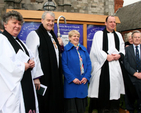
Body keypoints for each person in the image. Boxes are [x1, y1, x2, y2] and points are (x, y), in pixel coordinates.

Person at [0, 10, 43, 113]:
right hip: (12, 87)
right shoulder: (2, 40)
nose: (17, 26)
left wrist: (32, 63)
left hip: (25, 81)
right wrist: (23, 66)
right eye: (14, 23)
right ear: (5, 24)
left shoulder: (19, 42)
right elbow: (4, 63)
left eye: (19, 24)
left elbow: (30, 56)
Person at [26, 11, 64, 113]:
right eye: (48, 20)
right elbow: (32, 56)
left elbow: (55, 54)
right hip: (43, 77)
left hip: (54, 76)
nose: (51, 23)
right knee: (45, 102)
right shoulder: (35, 34)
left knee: (54, 102)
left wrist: (60, 46)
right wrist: (36, 77)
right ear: (42, 20)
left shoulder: (52, 35)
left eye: (52, 21)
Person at [88, 16, 125, 113]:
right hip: (103, 65)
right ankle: (102, 108)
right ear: (105, 23)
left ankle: (114, 108)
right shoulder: (99, 34)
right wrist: (106, 56)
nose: (113, 24)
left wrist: (119, 55)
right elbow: (96, 49)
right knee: (103, 85)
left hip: (115, 65)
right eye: (110, 22)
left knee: (114, 86)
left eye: (114, 22)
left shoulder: (119, 35)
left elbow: (122, 49)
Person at [62, 30, 92, 113]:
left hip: (82, 83)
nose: (76, 38)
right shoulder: (65, 50)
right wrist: (72, 78)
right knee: (71, 109)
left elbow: (89, 64)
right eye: (74, 36)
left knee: (81, 109)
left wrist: (86, 77)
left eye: (77, 36)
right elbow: (64, 66)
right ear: (69, 38)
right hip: (71, 84)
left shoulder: (83, 49)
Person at [124, 30, 141, 113]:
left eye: (139, 37)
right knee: (130, 103)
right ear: (132, 38)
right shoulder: (126, 50)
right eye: (135, 37)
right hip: (130, 79)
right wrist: (135, 73)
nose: (137, 39)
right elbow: (125, 63)